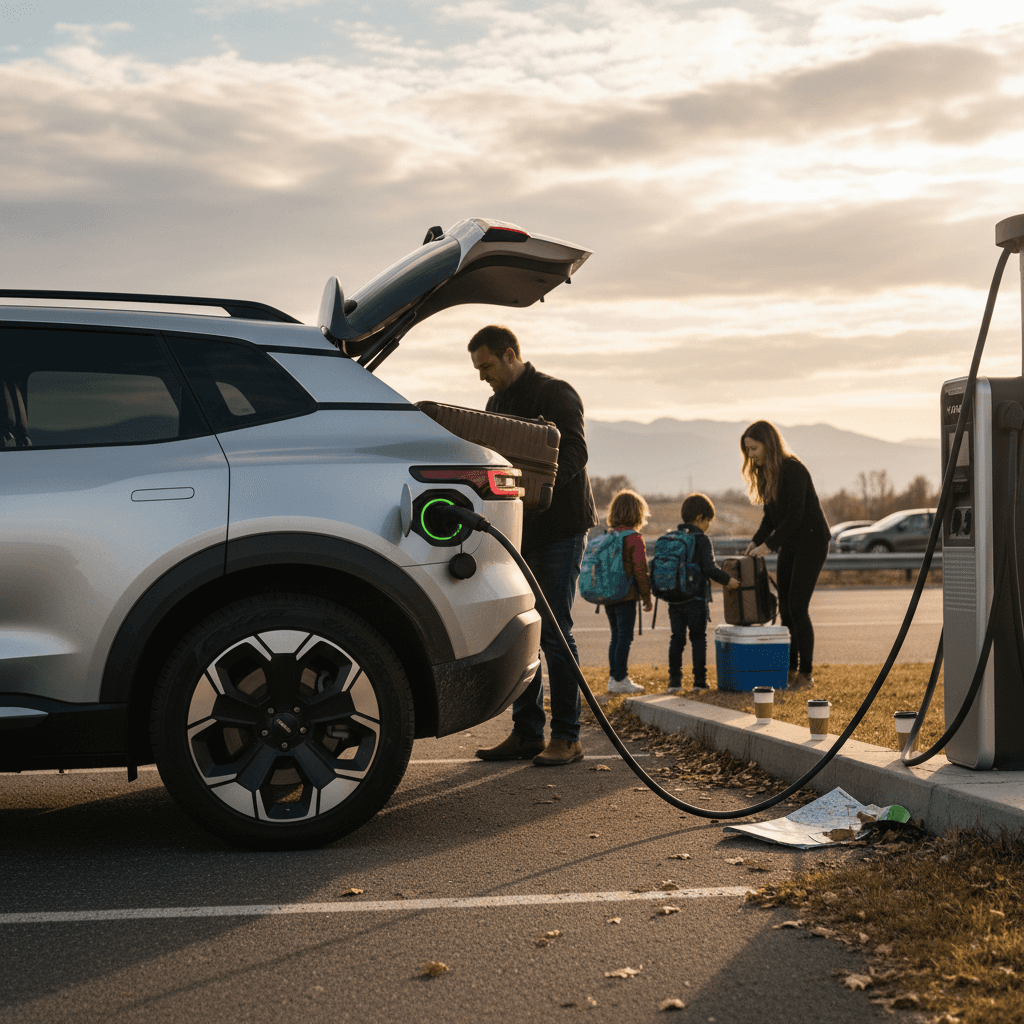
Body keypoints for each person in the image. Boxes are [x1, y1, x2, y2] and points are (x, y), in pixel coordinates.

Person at [469, 325, 599, 766]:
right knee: (522, 628)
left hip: (561, 529)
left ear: (509, 355)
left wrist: (534, 490)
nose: (483, 376)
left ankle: (568, 736)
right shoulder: (495, 404)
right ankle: (527, 732)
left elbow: (576, 454)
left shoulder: (556, 394)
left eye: (486, 366)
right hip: (518, 532)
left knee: (556, 631)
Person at [741, 420, 830, 691]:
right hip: (791, 543)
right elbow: (771, 518)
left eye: (754, 448)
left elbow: (795, 516)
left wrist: (768, 546)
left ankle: (806, 674)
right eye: (747, 451)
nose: (751, 455)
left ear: (768, 444)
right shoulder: (765, 473)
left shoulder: (793, 469)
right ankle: (789, 670)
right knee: (786, 611)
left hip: (812, 542)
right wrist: (756, 541)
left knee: (798, 607)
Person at [666, 493, 741, 694]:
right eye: (708, 521)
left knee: (677, 639)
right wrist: (728, 581)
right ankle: (699, 682)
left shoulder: (673, 537)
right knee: (698, 638)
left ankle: (674, 682)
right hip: (696, 599)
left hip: (674, 599)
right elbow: (709, 568)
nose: (708, 526)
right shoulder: (702, 539)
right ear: (700, 518)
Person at [603, 489, 654, 695]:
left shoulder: (609, 536)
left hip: (608, 595)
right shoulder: (634, 538)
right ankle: (620, 678)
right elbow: (641, 571)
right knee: (625, 636)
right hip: (626, 596)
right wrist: (646, 597)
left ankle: (613, 678)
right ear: (638, 513)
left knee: (616, 635)